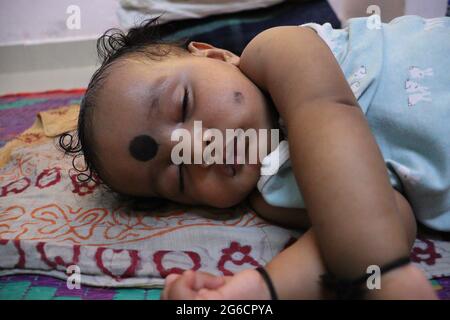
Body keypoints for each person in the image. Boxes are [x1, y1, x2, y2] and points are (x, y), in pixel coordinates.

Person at [60, 14, 450, 299]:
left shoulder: (277, 50)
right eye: (177, 175)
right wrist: (251, 291)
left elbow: (324, 110)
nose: (196, 149)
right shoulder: (272, 195)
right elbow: (381, 216)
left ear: (215, 57)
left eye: (184, 104)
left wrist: (383, 274)